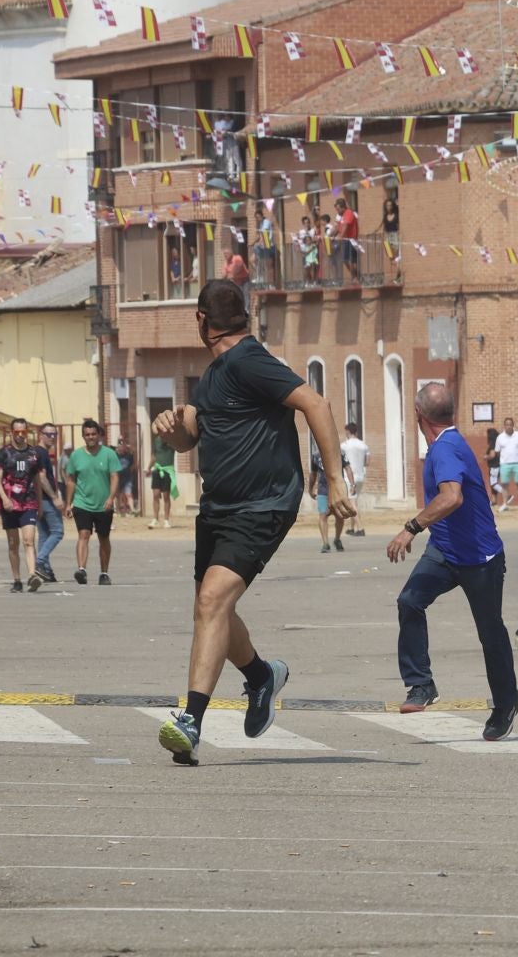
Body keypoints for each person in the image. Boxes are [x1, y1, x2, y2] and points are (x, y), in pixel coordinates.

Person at [153, 281, 351, 764]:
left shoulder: (248, 360)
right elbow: (188, 440)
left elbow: (316, 404)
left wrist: (335, 482)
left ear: (201, 320)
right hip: (219, 507)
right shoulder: (216, 374)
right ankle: (262, 677)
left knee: (212, 599)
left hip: (262, 505)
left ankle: (191, 721)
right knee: (210, 609)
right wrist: (173, 429)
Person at [389, 382, 518, 735]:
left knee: (490, 633)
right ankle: (422, 685)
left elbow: (452, 498)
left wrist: (410, 528)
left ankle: (507, 701)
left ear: (418, 414)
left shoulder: (446, 448)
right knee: (410, 601)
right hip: (445, 552)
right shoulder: (445, 445)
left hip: (480, 558)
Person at [0, 417, 57, 593]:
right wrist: (4, 499)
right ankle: (17, 579)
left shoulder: (33, 454)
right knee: (13, 544)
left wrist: (40, 504)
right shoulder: (4, 453)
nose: (20, 435)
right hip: (10, 504)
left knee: (29, 540)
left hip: (28, 502)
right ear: (12, 432)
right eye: (17, 432)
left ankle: (32, 575)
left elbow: (37, 479)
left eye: (23, 432)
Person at [65, 418, 122, 585]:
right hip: (82, 502)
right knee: (84, 534)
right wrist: (68, 503)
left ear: (98, 435)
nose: (90, 437)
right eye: (87, 434)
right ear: (83, 436)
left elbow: (114, 477)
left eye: (93, 434)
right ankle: (81, 569)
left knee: (104, 537)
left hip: (103, 504)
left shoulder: (109, 454)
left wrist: (111, 498)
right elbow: (71, 480)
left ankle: (104, 573)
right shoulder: (76, 456)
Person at [32, 424, 66, 583]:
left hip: (38, 500)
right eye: (48, 434)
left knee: (44, 535)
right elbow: (41, 477)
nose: (52, 437)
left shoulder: (37, 452)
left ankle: (46, 571)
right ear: (41, 434)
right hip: (45, 499)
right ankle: (39, 562)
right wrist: (54, 497)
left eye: (54, 434)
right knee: (58, 531)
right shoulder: (41, 453)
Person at [492, 418, 518, 514]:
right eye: (507, 424)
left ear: (513, 425)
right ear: (504, 426)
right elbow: (497, 451)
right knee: (504, 484)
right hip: (504, 464)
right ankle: (505, 504)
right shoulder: (500, 437)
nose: (509, 426)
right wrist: (505, 458)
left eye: (510, 424)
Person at [339, 424, 369, 539]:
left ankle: (360, 528)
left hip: (349, 477)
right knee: (354, 500)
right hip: (361, 476)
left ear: (347, 432)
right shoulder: (363, 445)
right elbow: (368, 462)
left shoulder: (344, 446)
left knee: (352, 503)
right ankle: (352, 528)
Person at [148, 427, 177, 528]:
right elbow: (153, 456)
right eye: (161, 431)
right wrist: (148, 468)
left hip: (167, 471)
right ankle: (155, 519)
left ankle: (166, 520)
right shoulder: (156, 441)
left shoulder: (172, 442)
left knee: (166, 496)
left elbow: (180, 447)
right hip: (157, 470)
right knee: (155, 495)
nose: (163, 433)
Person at [114, 437, 137, 517]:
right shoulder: (115, 455)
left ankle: (132, 510)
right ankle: (118, 511)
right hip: (117, 477)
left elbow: (134, 464)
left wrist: (131, 469)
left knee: (128, 493)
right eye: (120, 444)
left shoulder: (129, 455)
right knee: (118, 494)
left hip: (127, 477)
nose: (122, 447)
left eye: (123, 444)